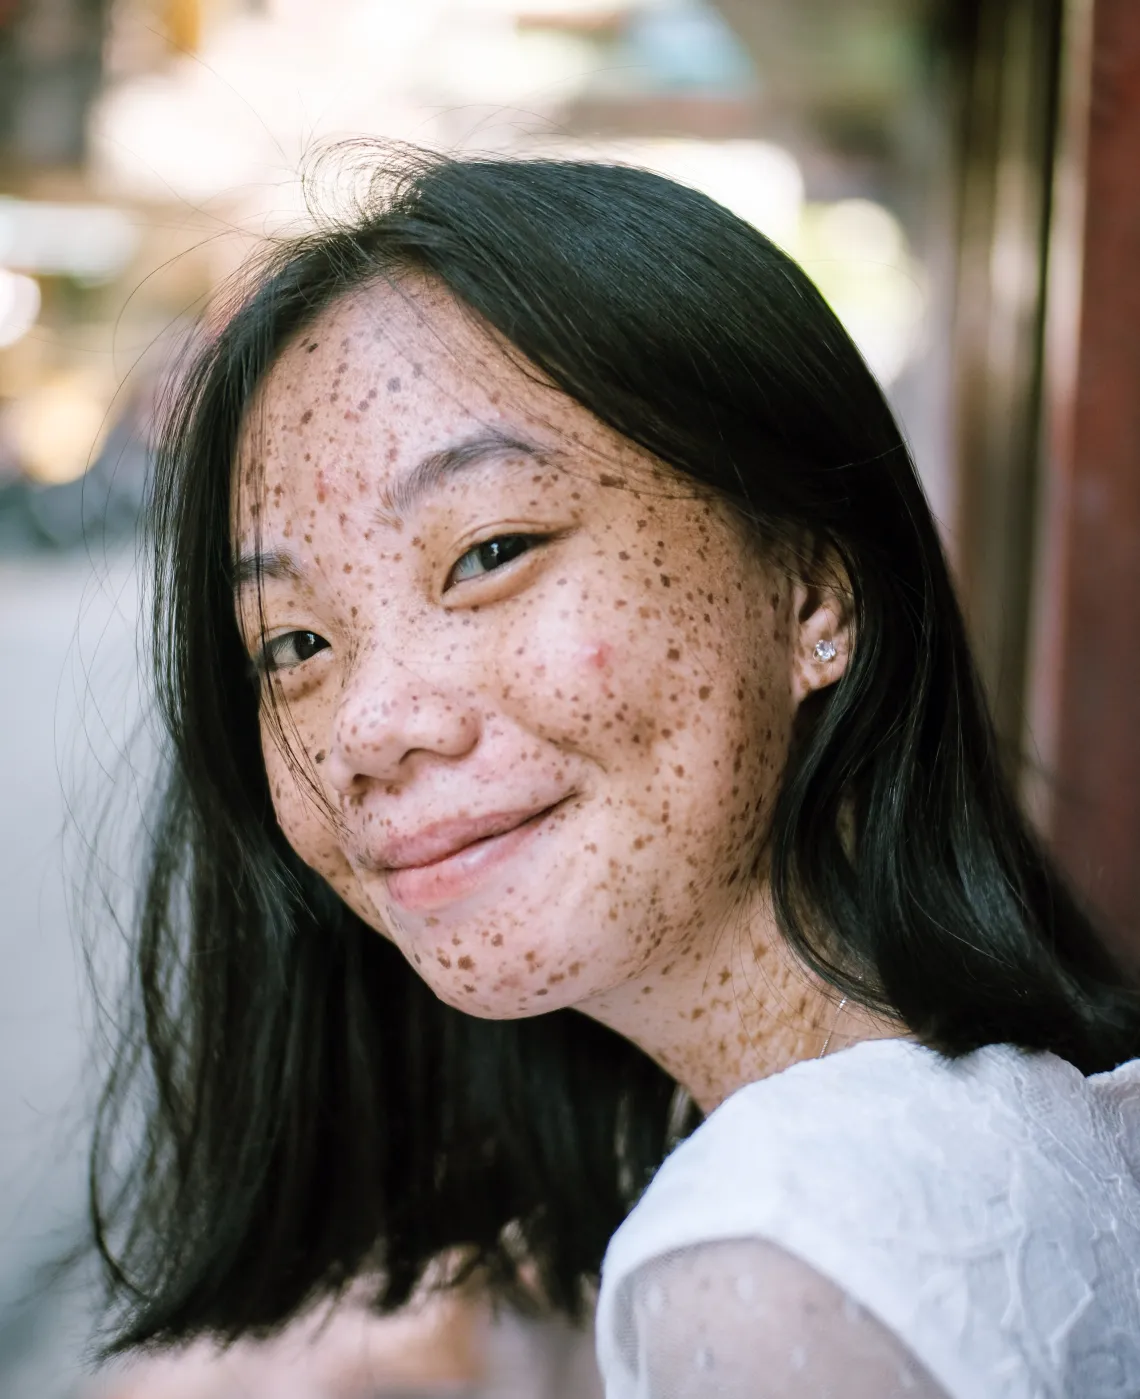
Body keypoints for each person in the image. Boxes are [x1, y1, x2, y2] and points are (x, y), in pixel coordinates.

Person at [90, 150, 1140, 1398]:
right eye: (296, 644)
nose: (368, 728)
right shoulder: (1038, 1120)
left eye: (490, 551)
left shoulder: (769, 1267)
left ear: (813, 592)